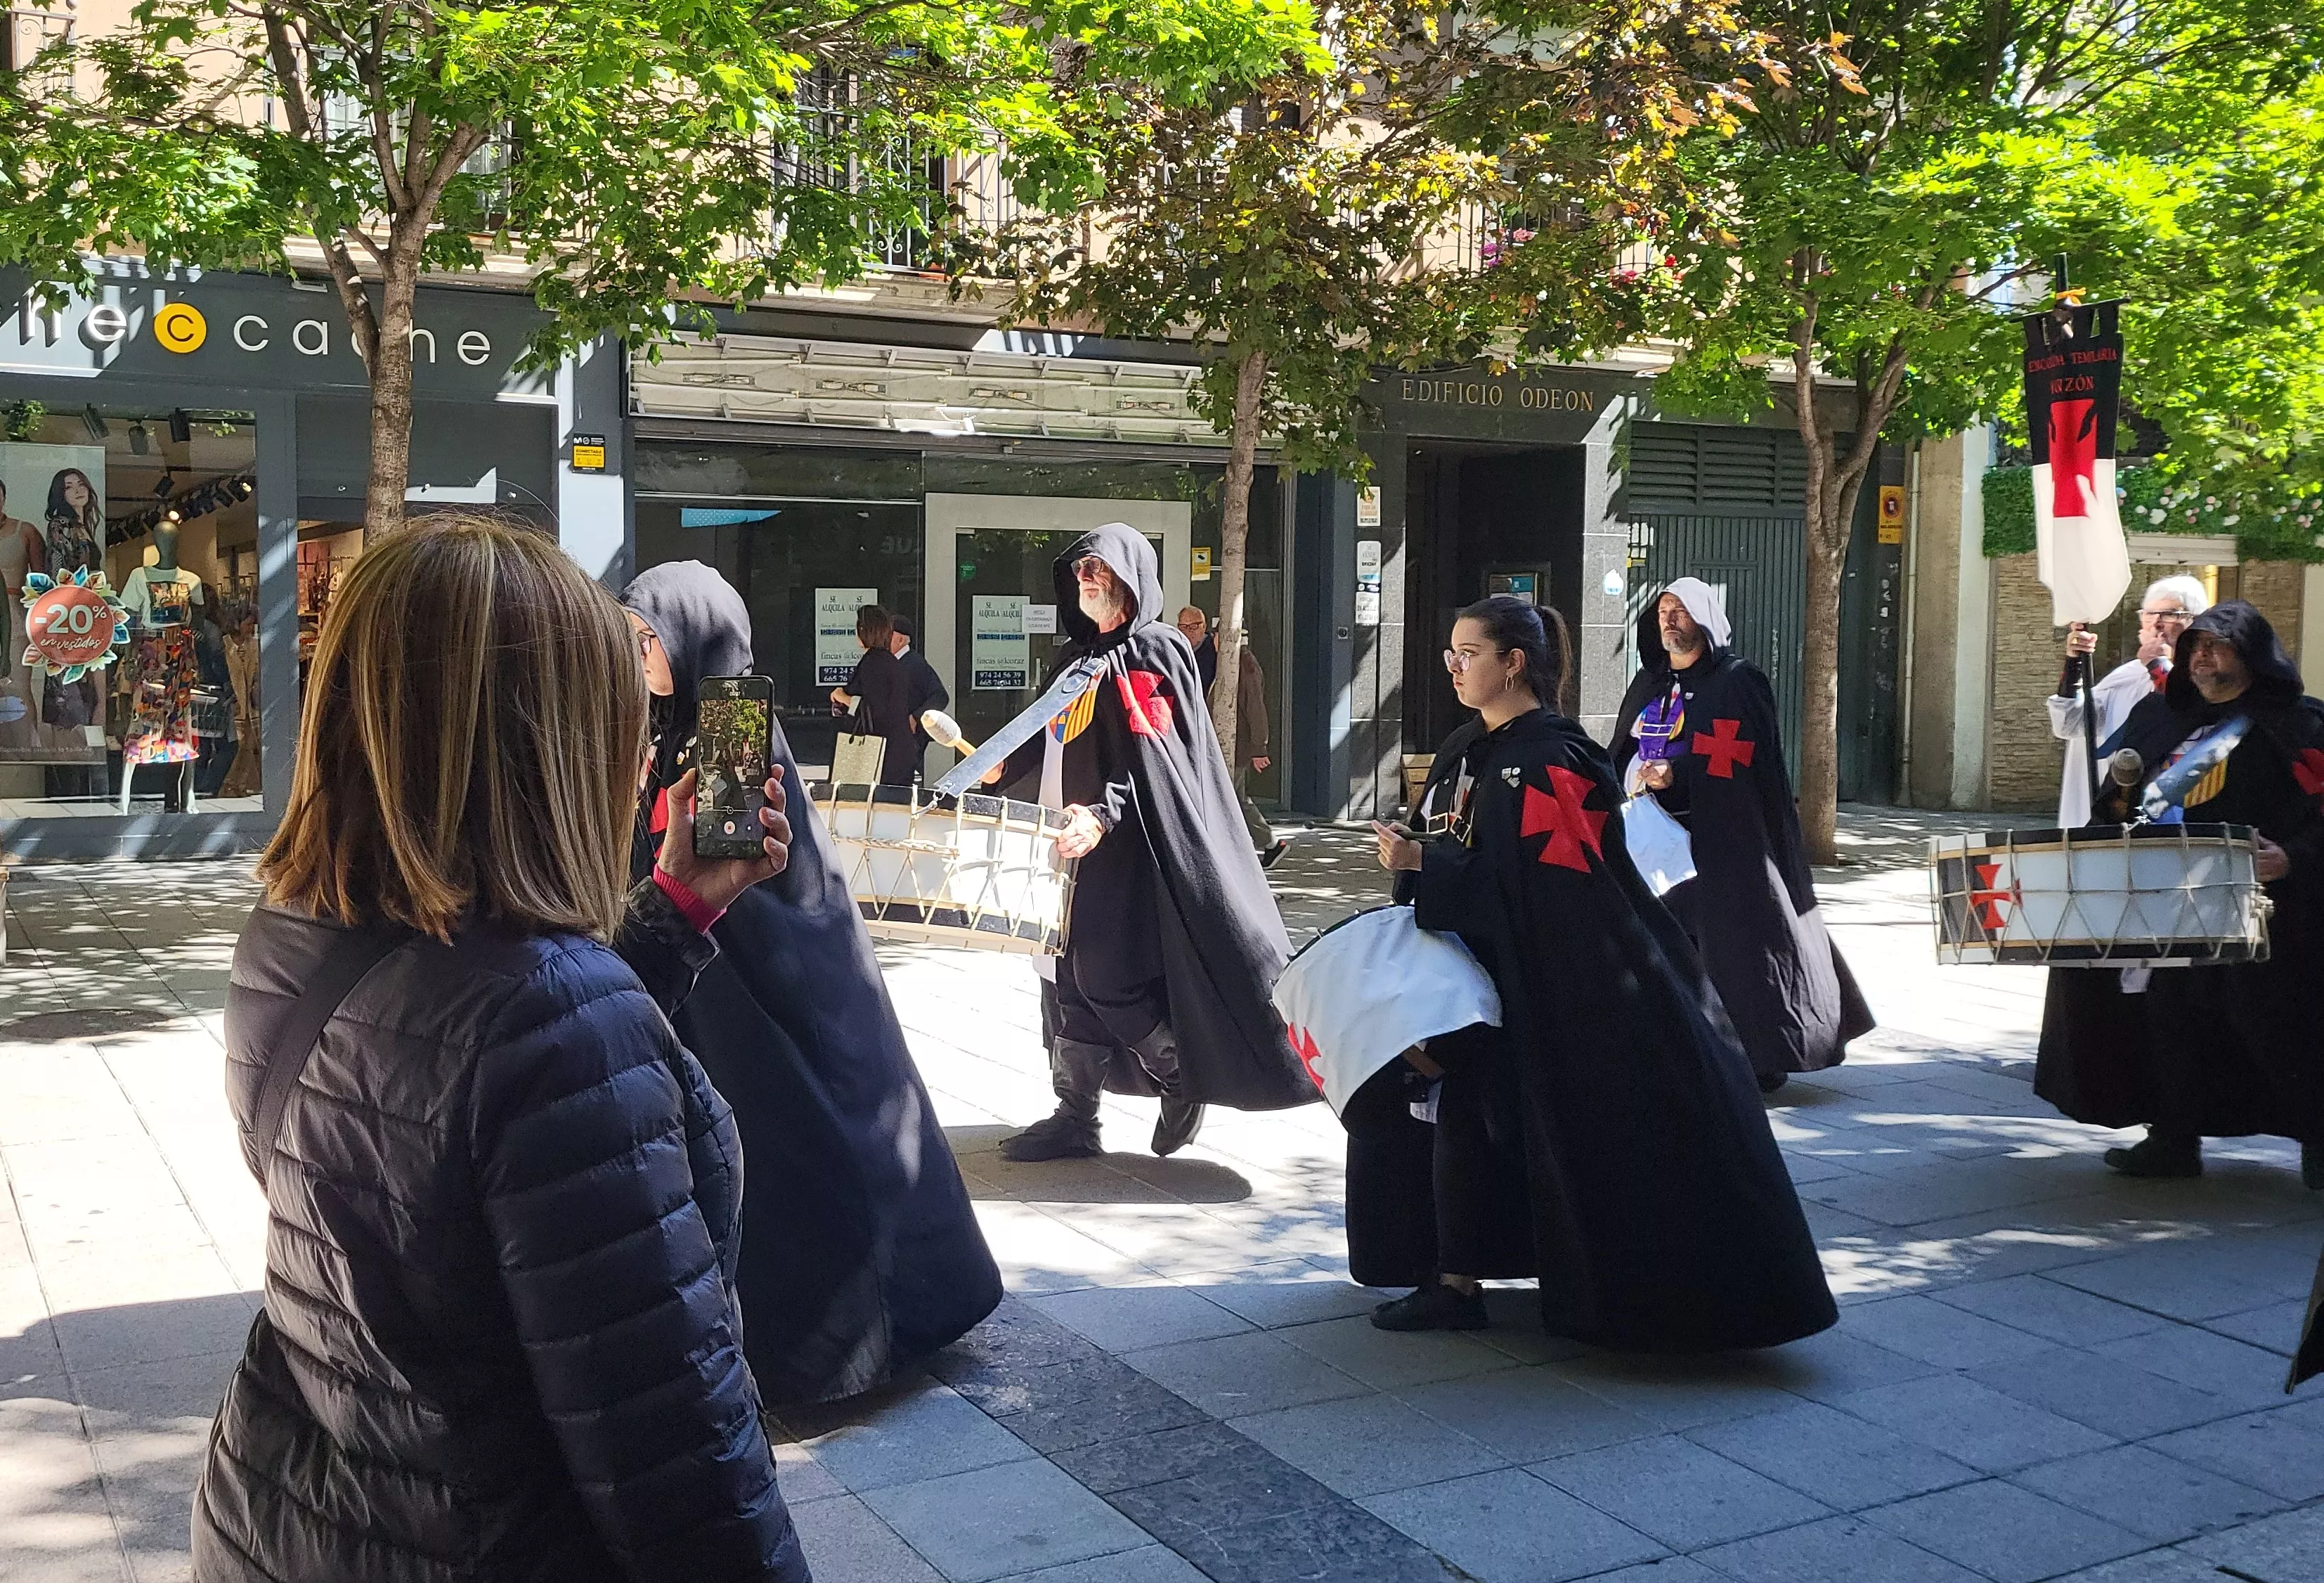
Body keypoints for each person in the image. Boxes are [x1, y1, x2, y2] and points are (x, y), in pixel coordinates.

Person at [194, 519, 807, 1582]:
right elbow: (682, 1464)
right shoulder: (549, 1016)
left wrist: (666, 913)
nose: (643, 740)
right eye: (621, 705)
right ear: (548, 738)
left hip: (306, 1514)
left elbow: (463, 1146)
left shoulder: (298, 934)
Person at [1360, 596, 1836, 1348]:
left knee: (1535, 1129)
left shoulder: (1553, 759)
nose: (1452, 666)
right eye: (1450, 651)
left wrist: (1429, 864)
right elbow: (1467, 846)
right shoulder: (1468, 745)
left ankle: (1566, 1280)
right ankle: (1454, 1279)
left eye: (1468, 652)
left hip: (1554, 985)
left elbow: (1560, 888)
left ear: (1513, 662)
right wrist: (1418, 860)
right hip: (1474, 975)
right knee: (1457, 1118)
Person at [624, 561, 1003, 1405]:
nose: (639, 651)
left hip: (757, 975)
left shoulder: (726, 720)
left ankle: (846, 1342)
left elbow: (726, 869)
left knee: (804, 1145)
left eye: (647, 635)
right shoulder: (687, 717)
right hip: (744, 969)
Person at [985, 524, 1315, 1161]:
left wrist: (1102, 818)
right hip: (1060, 845)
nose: (1088, 579)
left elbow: (1153, 761)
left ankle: (1181, 1078)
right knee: (1063, 980)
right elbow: (1042, 731)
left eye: (1101, 571)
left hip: (1125, 850)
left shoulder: (1153, 650)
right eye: (1081, 570)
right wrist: (995, 764)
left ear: (1132, 579)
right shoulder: (1077, 658)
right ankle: (1076, 1118)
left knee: (1106, 977)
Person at [2047, 602, 2324, 1186]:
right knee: (2167, 1019)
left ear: (2250, 654)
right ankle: (2172, 1138)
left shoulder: (2299, 725)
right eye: (2196, 644)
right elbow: (2120, 802)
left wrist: (2293, 858)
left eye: (2217, 645)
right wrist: (2117, 806)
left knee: (2272, 1026)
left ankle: (2318, 1142)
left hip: (2262, 907)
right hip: (2165, 902)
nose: (2201, 655)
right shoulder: (2163, 714)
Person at [1610, 579, 1873, 1091]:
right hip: (1657, 848)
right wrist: (1633, 777)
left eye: (1680, 611)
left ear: (1705, 619)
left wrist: (1677, 775)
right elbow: (1620, 752)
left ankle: (1758, 1057)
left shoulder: (1736, 682)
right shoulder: (1648, 685)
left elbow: (1741, 764)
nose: (1669, 620)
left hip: (1723, 845)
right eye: (1663, 611)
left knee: (1739, 951)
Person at [2046, 576, 2208, 827]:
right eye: (2149, 614)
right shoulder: (2128, 676)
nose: (2156, 624)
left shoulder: (2208, 677)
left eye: (2169, 614)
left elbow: (2183, 707)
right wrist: (2074, 662)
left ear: (2195, 622)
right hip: (2114, 807)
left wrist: (2157, 665)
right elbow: (2070, 724)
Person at [829, 602, 918, 784]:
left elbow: (874, 709)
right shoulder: (892, 662)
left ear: (864, 631)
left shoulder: (873, 663)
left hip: (878, 756)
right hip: (898, 753)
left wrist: (843, 698)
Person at [890, 613, 949, 741]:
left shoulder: (914, 663)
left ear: (901, 640)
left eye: (888, 635)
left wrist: (916, 717)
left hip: (910, 737)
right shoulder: (890, 663)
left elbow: (940, 696)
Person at [1176, 605, 1219, 697]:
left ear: (1204, 626)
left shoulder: (1214, 648)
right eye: (1184, 627)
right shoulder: (1176, 649)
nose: (1189, 631)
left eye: (1193, 626)